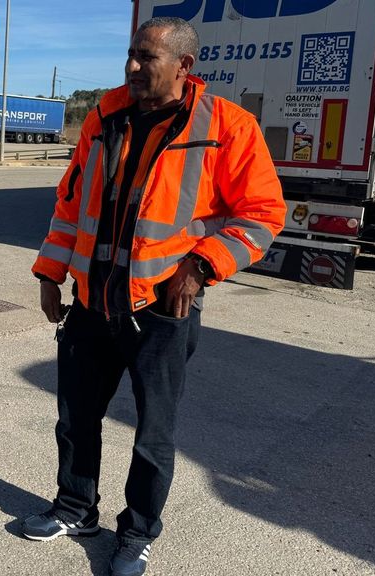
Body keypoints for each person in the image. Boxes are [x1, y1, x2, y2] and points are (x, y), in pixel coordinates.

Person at [23, 16, 286, 576]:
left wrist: (202, 265)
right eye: (131, 54)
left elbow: (262, 216)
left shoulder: (226, 125)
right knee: (75, 418)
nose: (133, 67)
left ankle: (138, 534)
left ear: (184, 66)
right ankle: (75, 508)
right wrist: (51, 271)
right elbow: (72, 203)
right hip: (93, 302)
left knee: (153, 434)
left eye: (147, 57)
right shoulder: (103, 117)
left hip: (161, 311)